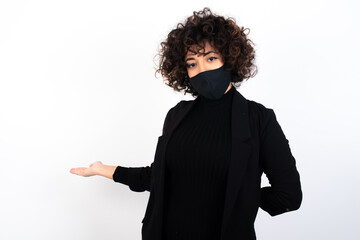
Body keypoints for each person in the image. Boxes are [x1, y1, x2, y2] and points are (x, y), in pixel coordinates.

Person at [70, 7, 302, 240]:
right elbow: (159, 178)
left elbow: (288, 196)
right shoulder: (177, 115)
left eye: (211, 58)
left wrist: (242, 196)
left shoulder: (259, 119)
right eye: (192, 63)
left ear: (230, 59)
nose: (201, 70)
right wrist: (103, 170)